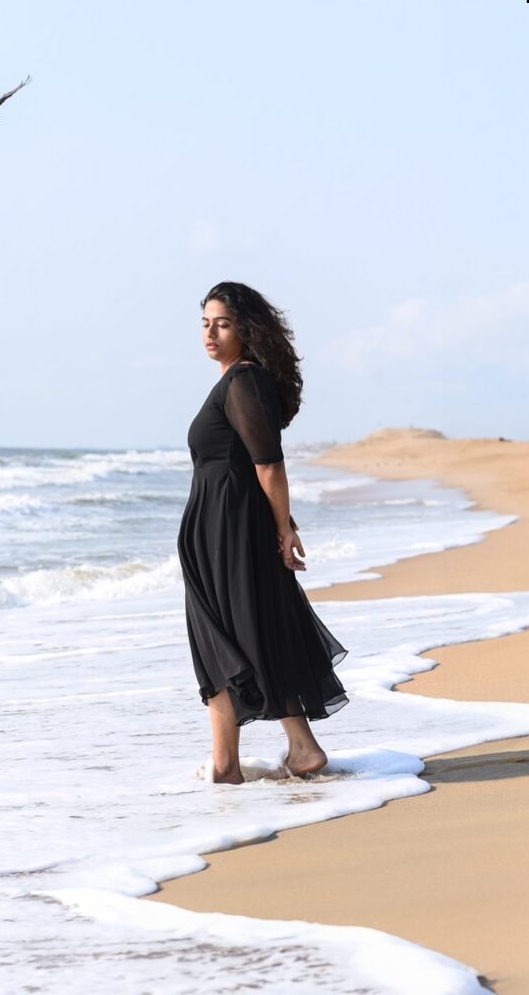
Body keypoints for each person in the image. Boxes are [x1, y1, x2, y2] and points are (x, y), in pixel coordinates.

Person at [177, 282, 348, 784]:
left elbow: (269, 465)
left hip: (230, 534)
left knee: (228, 640)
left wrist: (282, 529)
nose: (210, 332)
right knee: (240, 636)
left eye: (222, 323)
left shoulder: (243, 381)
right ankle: (283, 750)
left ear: (245, 330)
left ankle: (247, 761)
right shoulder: (236, 381)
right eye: (205, 323)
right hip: (223, 532)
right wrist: (280, 521)